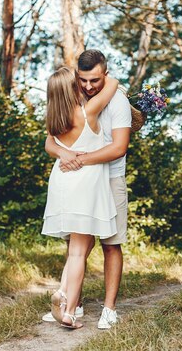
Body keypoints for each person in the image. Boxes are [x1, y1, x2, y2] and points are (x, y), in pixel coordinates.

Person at [44, 49, 131, 330]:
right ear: (75, 82)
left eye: (95, 80)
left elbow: (118, 148)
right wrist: (62, 153)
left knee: (106, 244)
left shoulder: (60, 112)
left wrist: (73, 157)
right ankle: (70, 305)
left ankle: (101, 307)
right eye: (81, 80)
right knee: (78, 247)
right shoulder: (83, 107)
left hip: (88, 179)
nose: (88, 86)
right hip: (83, 182)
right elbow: (49, 144)